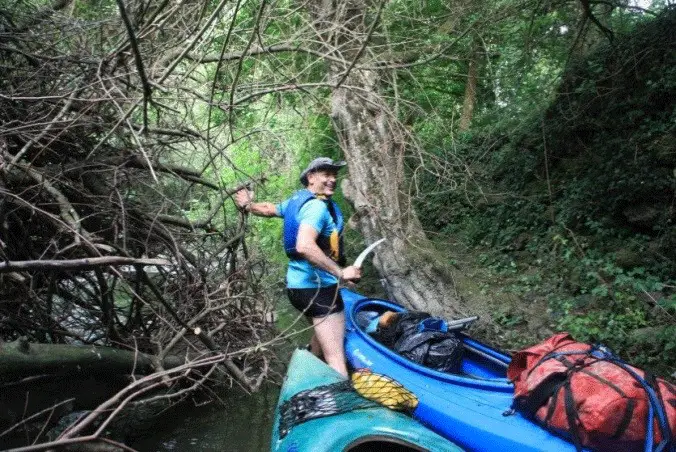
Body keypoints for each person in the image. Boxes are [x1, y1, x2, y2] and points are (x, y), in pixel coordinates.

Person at [234, 157, 362, 377]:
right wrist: (341, 273)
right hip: (319, 290)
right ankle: (340, 399)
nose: (332, 179)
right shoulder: (316, 208)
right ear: (311, 178)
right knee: (336, 358)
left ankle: (310, 365)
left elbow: (269, 209)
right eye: (326, 174)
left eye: (334, 174)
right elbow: (304, 246)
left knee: (321, 330)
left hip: (297, 289)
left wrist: (248, 205)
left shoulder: (297, 201)